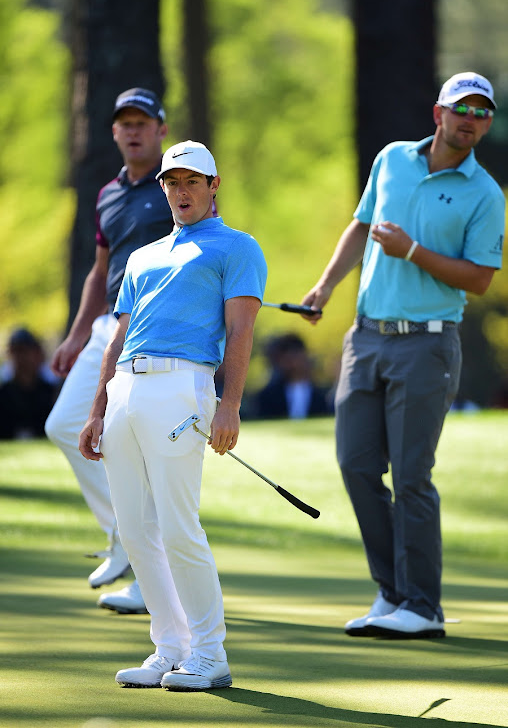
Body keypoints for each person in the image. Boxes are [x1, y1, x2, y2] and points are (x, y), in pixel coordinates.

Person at [302, 72, 505, 639]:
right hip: (366, 337)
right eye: (461, 108)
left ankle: (423, 605)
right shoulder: (392, 158)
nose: (470, 119)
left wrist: (412, 251)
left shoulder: (485, 195)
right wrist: (324, 288)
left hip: (428, 342)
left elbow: (481, 279)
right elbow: (362, 226)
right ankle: (392, 594)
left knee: (413, 475)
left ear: (486, 124)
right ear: (437, 112)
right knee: (356, 465)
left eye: (481, 113)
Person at [79, 140, 267, 690]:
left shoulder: (237, 248)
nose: (180, 191)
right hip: (126, 391)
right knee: (135, 531)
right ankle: (169, 648)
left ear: (214, 186)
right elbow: (118, 339)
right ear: (162, 188)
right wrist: (96, 410)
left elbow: (240, 331)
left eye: (192, 181)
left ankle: (210, 654)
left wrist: (228, 404)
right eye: (171, 182)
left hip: (183, 387)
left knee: (179, 526)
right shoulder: (142, 256)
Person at [45, 88, 171, 614]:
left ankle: (148, 580)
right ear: (115, 132)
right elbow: (101, 270)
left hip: (152, 332)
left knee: (137, 453)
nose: (134, 130)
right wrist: (76, 335)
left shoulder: (177, 185)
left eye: (143, 121)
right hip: (106, 327)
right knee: (64, 425)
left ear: (161, 129)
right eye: (125, 123)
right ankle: (122, 536)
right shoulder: (108, 195)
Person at [253, 333, 332, 419]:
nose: (293, 363)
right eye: (288, 358)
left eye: (296, 356)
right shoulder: (267, 396)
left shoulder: (322, 396)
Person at [0, 328, 58, 440]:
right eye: (15, 351)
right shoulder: (4, 394)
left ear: (38, 354)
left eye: (24, 351)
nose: (20, 358)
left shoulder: (50, 393)